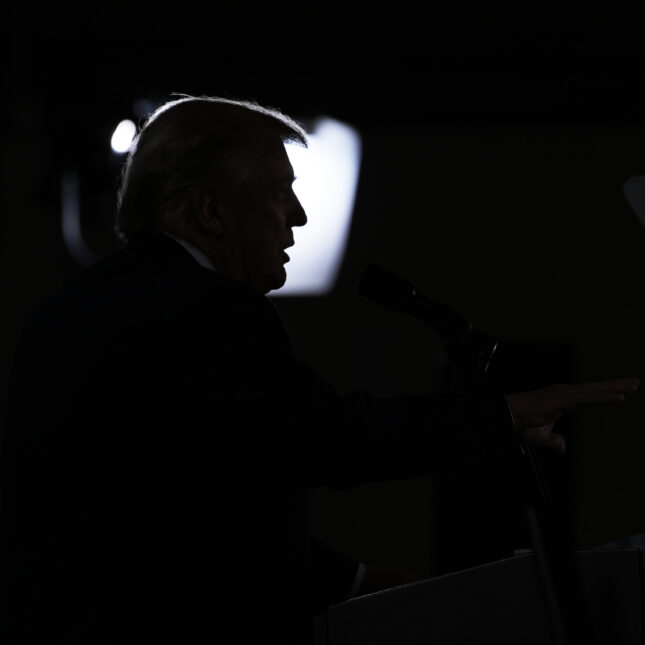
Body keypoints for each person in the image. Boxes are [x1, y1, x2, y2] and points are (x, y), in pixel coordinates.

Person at [0, 94, 638, 645]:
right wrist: (502, 415)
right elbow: (322, 436)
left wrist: (354, 581)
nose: (299, 217)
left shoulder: (63, 315)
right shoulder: (209, 308)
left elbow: (174, 513)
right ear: (212, 212)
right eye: (281, 193)